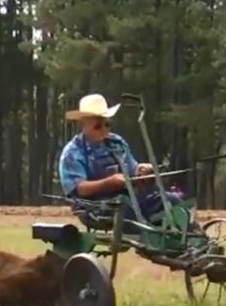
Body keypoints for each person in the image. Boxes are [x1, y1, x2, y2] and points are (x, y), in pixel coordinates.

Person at [58, 93, 179, 224]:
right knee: (125, 208)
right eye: (98, 126)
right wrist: (109, 183)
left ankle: (192, 238)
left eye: (107, 124)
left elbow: (133, 171)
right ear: (83, 124)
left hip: (129, 200)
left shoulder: (117, 142)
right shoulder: (72, 152)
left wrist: (142, 171)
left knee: (171, 200)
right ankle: (150, 237)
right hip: (93, 208)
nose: (104, 130)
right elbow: (79, 188)